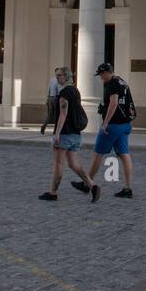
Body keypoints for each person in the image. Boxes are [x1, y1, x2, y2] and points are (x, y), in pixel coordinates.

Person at [73, 62, 134, 199]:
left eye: (101, 74)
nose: (101, 78)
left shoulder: (112, 83)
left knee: (98, 153)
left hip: (113, 125)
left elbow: (114, 103)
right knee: (124, 154)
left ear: (107, 72)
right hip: (125, 124)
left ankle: (87, 184)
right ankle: (127, 187)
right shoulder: (122, 81)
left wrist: (105, 123)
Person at [40, 67, 99, 202]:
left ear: (66, 76)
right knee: (73, 164)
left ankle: (53, 193)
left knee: (58, 164)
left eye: (59, 75)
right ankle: (92, 185)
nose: (57, 78)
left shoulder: (64, 93)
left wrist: (57, 134)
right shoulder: (75, 91)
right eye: (56, 75)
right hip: (76, 135)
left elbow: (63, 114)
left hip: (65, 134)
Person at [41, 67, 62, 135]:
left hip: (50, 98)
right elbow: (58, 91)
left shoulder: (51, 79)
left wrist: (48, 99)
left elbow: (49, 90)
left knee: (50, 115)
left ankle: (44, 126)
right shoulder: (58, 80)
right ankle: (55, 130)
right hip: (55, 98)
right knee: (57, 115)